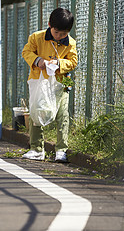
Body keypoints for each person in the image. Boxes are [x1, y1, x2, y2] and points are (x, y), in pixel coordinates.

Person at [21, 8, 78, 162]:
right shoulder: (37, 37)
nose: (60, 37)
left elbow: (73, 61)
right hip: (39, 82)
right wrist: (37, 60)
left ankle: (61, 150)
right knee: (36, 112)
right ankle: (37, 149)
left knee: (62, 115)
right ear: (49, 25)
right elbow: (26, 52)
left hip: (60, 84)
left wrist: (59, 63)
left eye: (64, 34)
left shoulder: (70, 43)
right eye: (57, 32)